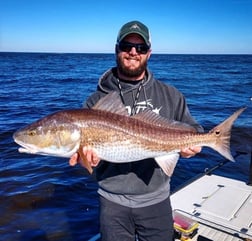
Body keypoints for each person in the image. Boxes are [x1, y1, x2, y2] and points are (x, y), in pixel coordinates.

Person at [69, 20, 203, 241]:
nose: (133, 52)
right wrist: (88, 160)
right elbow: (86, 160)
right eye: (126, 46)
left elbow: (194, 129)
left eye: (140, 48)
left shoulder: (170, 94)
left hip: (156, 200)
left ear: (149, 53)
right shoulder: (96, 101)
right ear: (116, 49)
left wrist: (195, 144)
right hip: (112, 203)